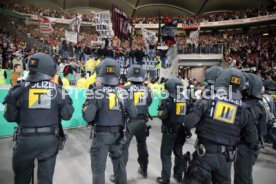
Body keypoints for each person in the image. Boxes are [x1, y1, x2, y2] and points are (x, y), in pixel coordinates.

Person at [3, 52, 74, 184]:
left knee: (21, 179)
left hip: (25, 139)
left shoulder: (17, 89)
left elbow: (9, 117)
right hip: (50, 140)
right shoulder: (59, 91)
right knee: (45, 180)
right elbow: (67, 115)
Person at [182, 68, 258, 184]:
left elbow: (188, 123)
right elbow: (252, 138)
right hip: (226, 159)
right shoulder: (244, 110)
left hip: (204, 155)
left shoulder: (207, 101)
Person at [82, 58, 137, 184]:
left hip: (101, 136)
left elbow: (88, 117)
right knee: (119, 167)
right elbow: (133, 113)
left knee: (98, 171)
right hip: (119, 135)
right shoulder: (124, 92)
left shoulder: (96, 92)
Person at [234, 73, 268, 184]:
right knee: (246, 176)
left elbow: (250, 133)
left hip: (246, 146)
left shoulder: (248, 107)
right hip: (250, 146)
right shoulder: (256, 104)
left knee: (242, 177)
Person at [120, 65, 152, 178]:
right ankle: (144, 169)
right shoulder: (148, 89)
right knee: (142, 145)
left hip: (129, 122)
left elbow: (121, 106)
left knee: (124, 148)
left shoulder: (124, 89)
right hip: (142, 122)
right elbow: (148, 103)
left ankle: (120, 175)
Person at [157, 77, 190, 184]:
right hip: (181, 130)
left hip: (170, 130)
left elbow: (162, 115)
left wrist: (160, 109)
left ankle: (165, 178)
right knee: (178, 152)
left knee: (166, 154)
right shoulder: (185, 98)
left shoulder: (168, 99)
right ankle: (178, 175)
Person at [263, 80, 276, 150]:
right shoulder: (271, 97)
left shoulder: (265, 97)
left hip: (267, 118)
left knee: (268, 133)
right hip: (271, 118)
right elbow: (273, 109)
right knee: (269, 133)